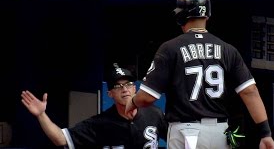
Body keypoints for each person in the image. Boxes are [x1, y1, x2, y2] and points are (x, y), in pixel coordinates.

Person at [125, 0, 274, 149]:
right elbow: (250, 91)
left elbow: (147, 97)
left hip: (186, 132)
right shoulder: (227, 49)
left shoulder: (170, 48)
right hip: (219, 132)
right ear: (207, 16)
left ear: (180, 17)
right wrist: (265, 133)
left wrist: (132, 102)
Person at [21, 64, 168, 149]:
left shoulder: (154, 114)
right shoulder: (100, 123)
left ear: (135, 88)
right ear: (110, 93)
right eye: (118, 86)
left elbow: (177, 137)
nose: (124, 89)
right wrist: (41, 115)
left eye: (129, 84)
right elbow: (60, 139)